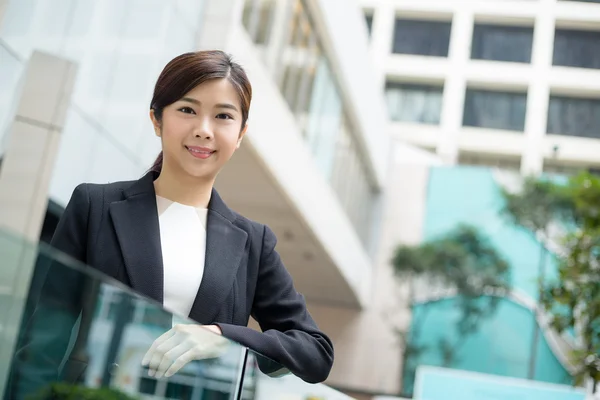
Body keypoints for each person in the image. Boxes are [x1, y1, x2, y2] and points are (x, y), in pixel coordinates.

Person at [9, 50, 333, 394]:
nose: (204, 130)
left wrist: (221, 336)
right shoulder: (95, 207)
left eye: (223, 116)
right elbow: (43, 341)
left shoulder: (253, 241)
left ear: (240, 134)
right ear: (156, 119)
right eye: (187, 110)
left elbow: (316, 352)